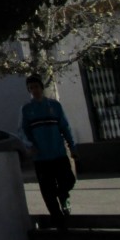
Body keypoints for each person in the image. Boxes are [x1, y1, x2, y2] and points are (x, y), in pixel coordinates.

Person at [21, 74, 77, 226]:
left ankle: (63, 195)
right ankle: (58, 219)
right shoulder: (27, 109)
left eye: (36, 87)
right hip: (41, 157)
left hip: (58, 153)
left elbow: (64, 127)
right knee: (47, 190)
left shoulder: (54, 106)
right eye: (31, 88)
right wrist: (30, 145)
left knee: (69, 180)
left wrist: (72, 146)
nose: (34, 90)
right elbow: (23, 131)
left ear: (41, 87)